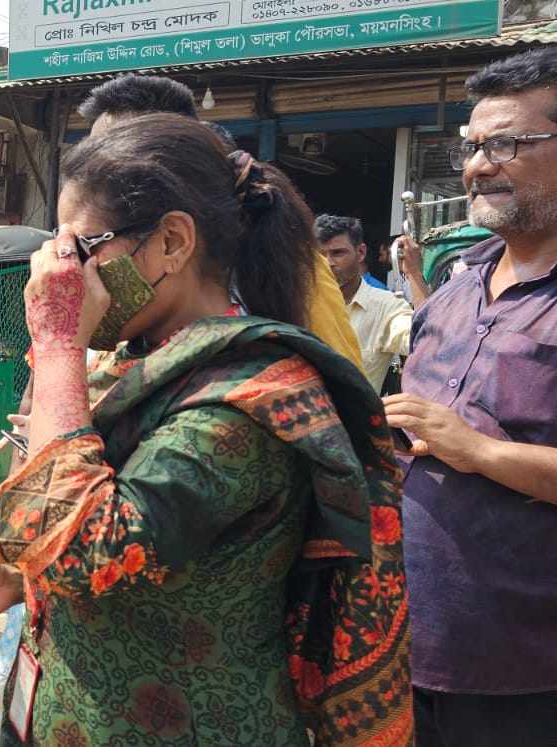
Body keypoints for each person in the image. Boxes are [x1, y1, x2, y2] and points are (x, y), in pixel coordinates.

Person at [0, 114, 411, 746]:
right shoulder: (137, 367)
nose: (59, 275)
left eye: (83, 251)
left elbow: (91, 545)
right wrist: (19, 580)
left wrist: (59, 339)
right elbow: (132, 547)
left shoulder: (247, 401)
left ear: (172, 242)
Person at [385, 48, 557, 746]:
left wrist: (481, 451)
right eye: (475, 146)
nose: (480, 165)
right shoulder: (452, 290)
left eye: (509, 143)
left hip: (527, 675)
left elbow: (462, 443)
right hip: (405, 651)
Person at [80, 74, 364, 367]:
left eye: (107, 160)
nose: (90, 178)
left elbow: (340, 374)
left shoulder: (281, 257)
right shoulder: (119, 267)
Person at [317, 215, 413, 394]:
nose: (328, 263)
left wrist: (414, 275)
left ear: (361, 253)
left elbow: (422, 340)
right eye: (321, 255)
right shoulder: (299, 303)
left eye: (338, 253)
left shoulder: (386, 307)